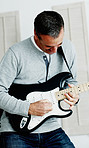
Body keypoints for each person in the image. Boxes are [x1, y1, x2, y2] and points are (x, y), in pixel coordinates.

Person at [0, 10, 79, 148]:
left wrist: (74, 96)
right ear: (36, 34)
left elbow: (71, 83)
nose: (55, 51)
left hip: (52, 129)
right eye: (48, 47)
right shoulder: (15, 54)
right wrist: (28, 108)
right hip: (15, 131)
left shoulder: (68, 48)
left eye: (59, 44)